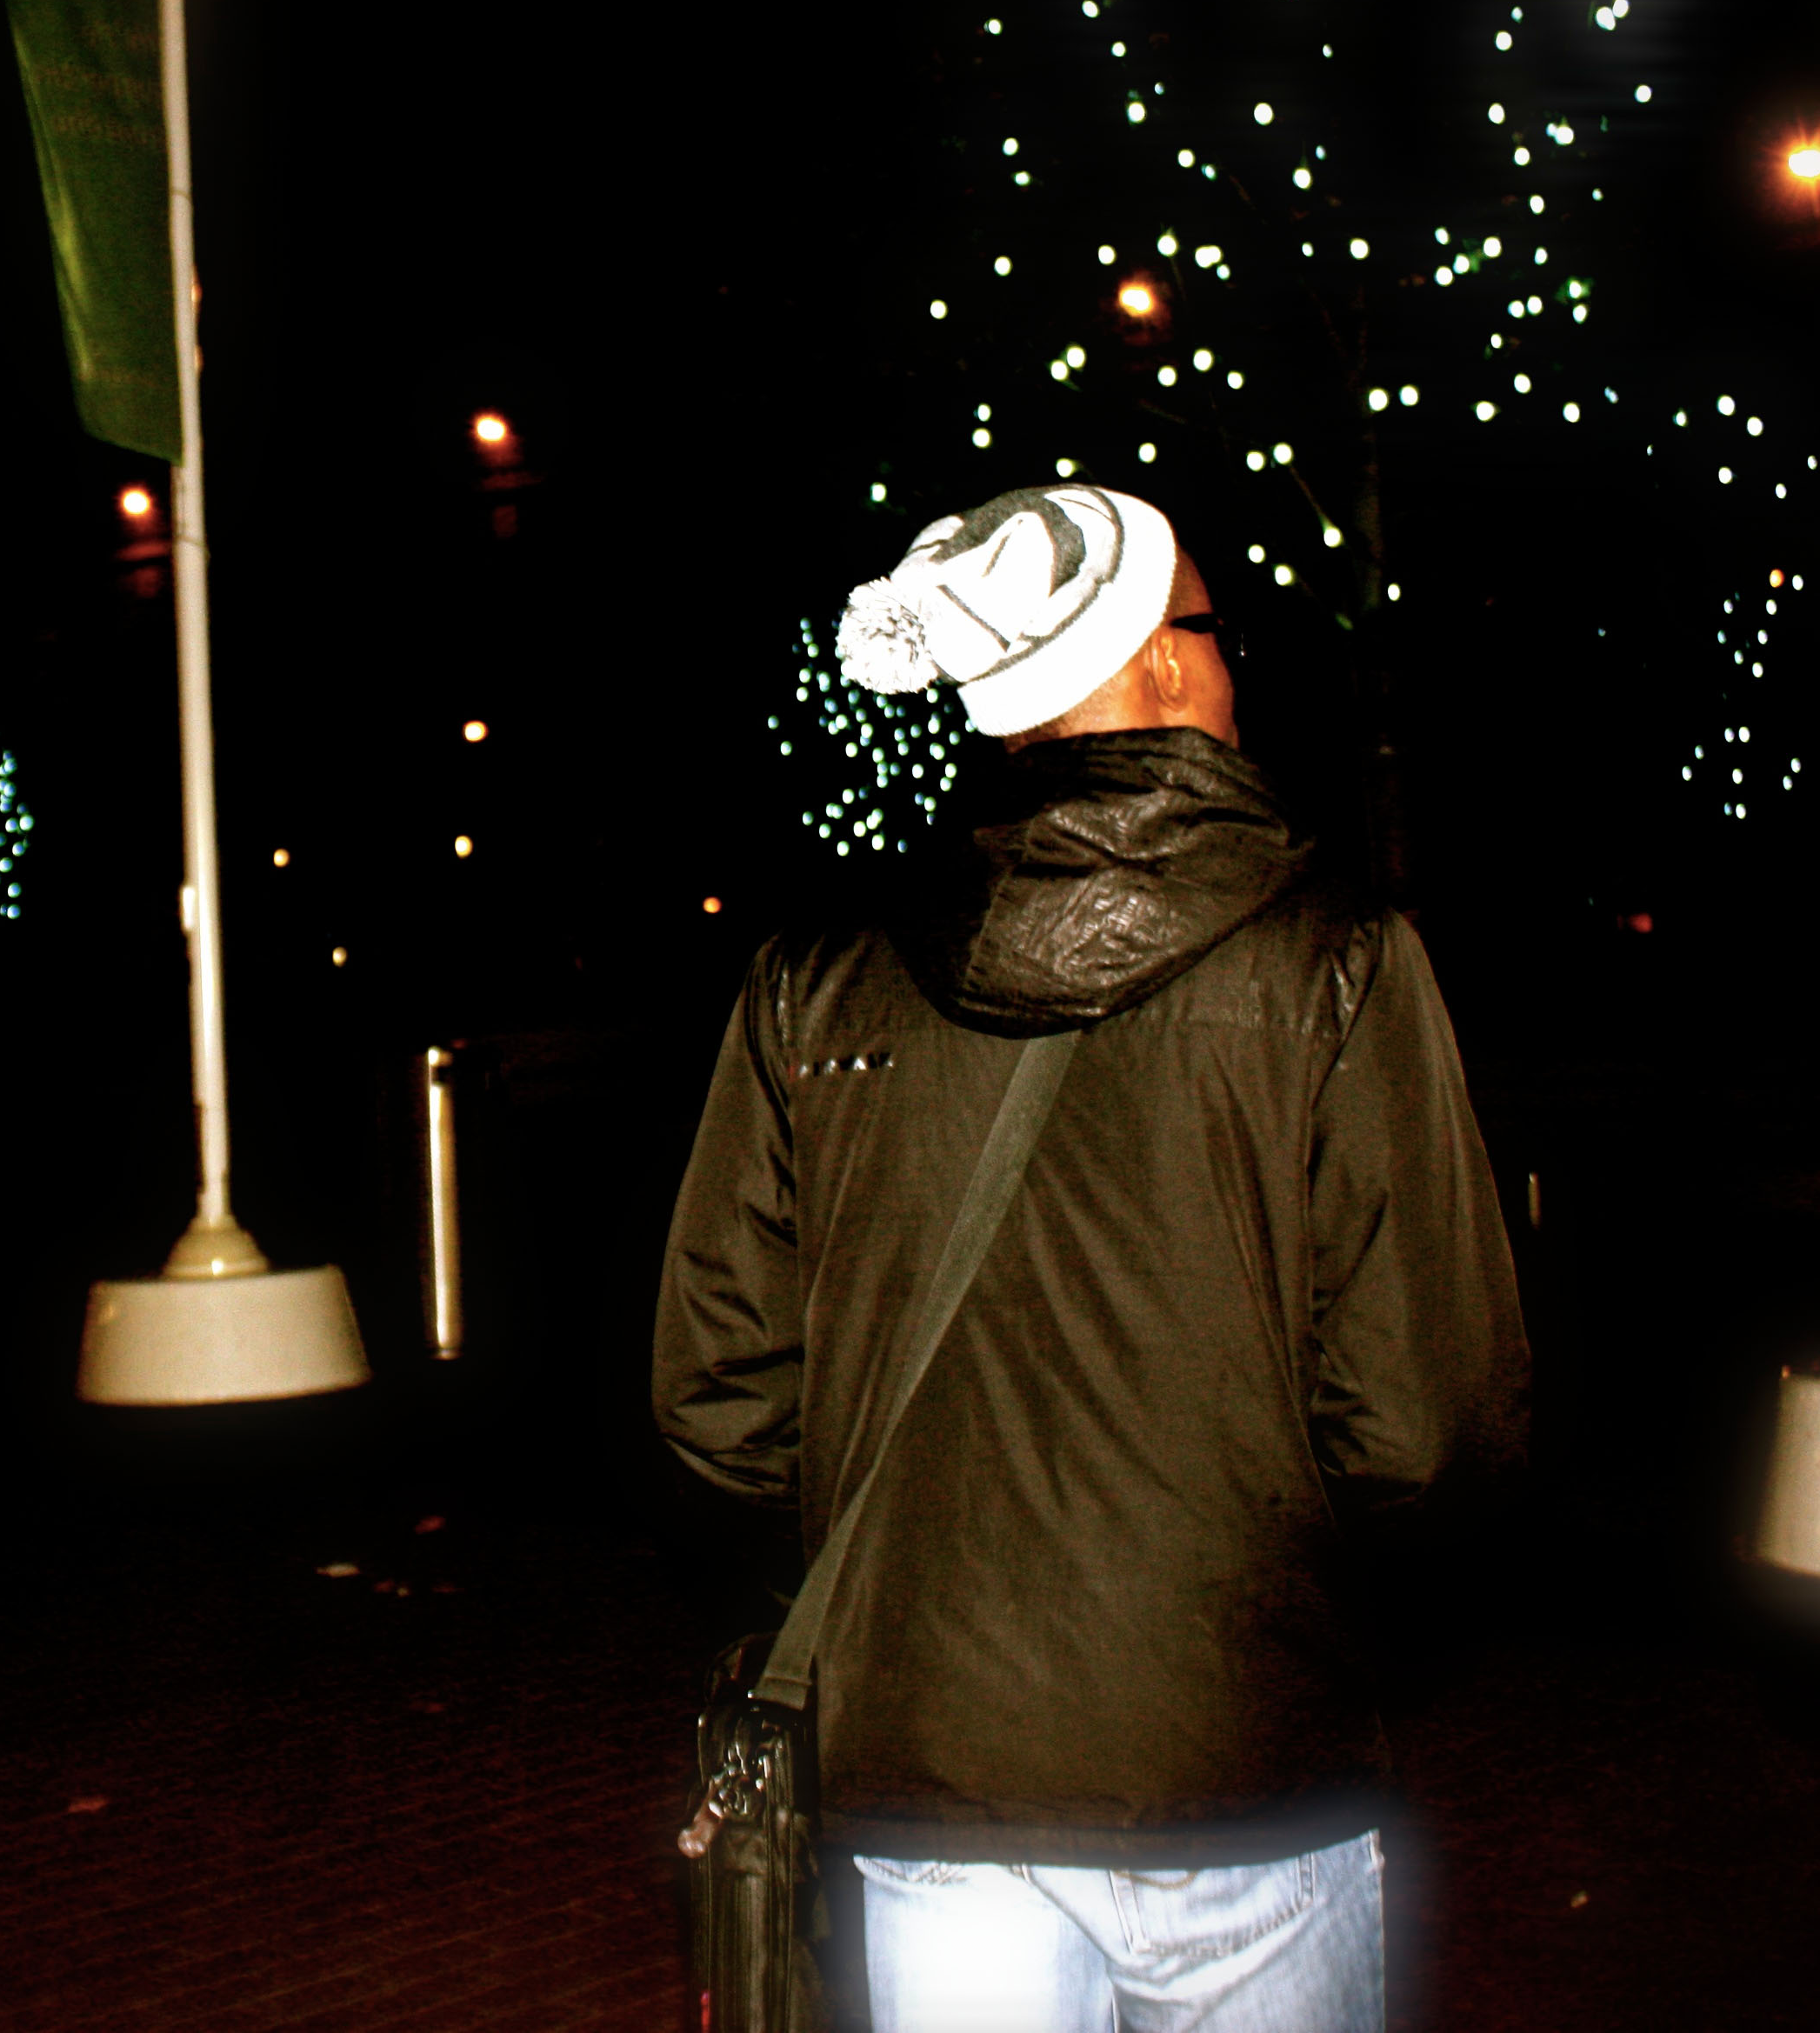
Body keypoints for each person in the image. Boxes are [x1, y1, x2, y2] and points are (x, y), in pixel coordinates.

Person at [651, 483, 1530, 2032]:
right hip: (1237, 1747)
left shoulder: (817, 981)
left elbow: (719, 1398)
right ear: (1165, 660)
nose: (1228, 658)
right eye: (1213, 623)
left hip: (930, 1758)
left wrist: (914, 1569)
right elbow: (1425, 1423)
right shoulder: (1337, 959)